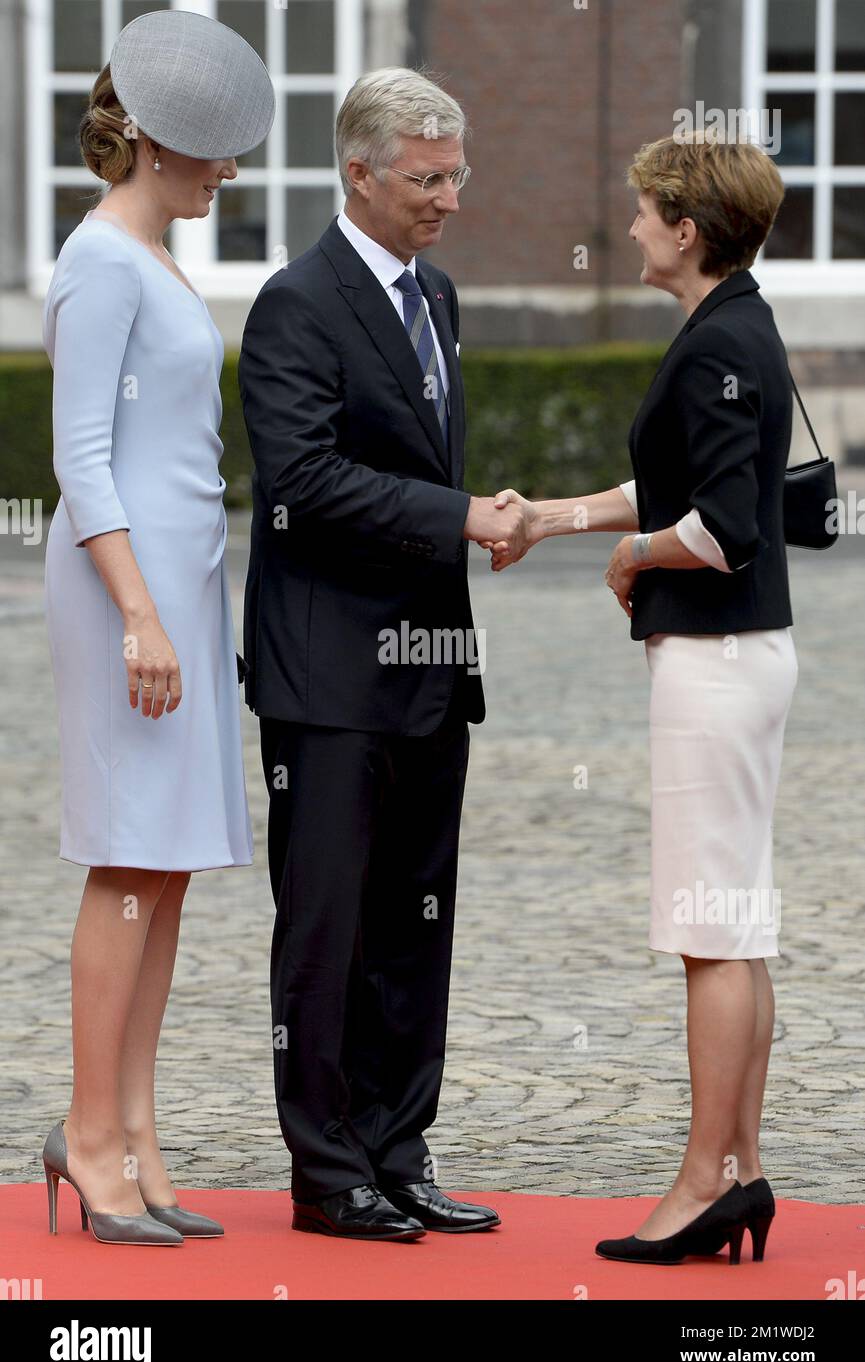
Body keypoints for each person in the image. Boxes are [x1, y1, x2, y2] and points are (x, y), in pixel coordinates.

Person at [489, 132, 795, 1265]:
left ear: (686, 227)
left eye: (642, 212)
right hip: (743, 657)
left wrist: (634, 561)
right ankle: (741, 1168)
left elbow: (720, 526)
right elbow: (671, 484)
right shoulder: (732, 325)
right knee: (736, 928)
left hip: (714, 662)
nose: (626, 229)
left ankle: (703, 1180)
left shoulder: (719, 343)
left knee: (709, 932)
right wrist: (554, 519)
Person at [238, 66, 533, 1240]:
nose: (448, 197)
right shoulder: (293, 303)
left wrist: (477, 521)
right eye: (426, 178)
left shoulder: (440, 294)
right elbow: (300, 483)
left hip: (424, 665)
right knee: (326, 927)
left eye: (457, 173)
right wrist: (456, 514)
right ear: (356, 174)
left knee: (416, 919)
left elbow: (416, 468)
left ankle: (398, 1150)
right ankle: (325, 1170)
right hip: (325, 676)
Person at [40, 10, 273, 1246]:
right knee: (127, 856)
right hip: (128, 592)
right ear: (154, 147)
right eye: (212, 153)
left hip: (175, 590)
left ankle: (133, 1128)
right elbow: (80, 459)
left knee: (165, 865)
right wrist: (139, 615)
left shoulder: (151, 254)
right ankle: (89, 1132)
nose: (227, 172)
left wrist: (172, 607)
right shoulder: (99, 263)